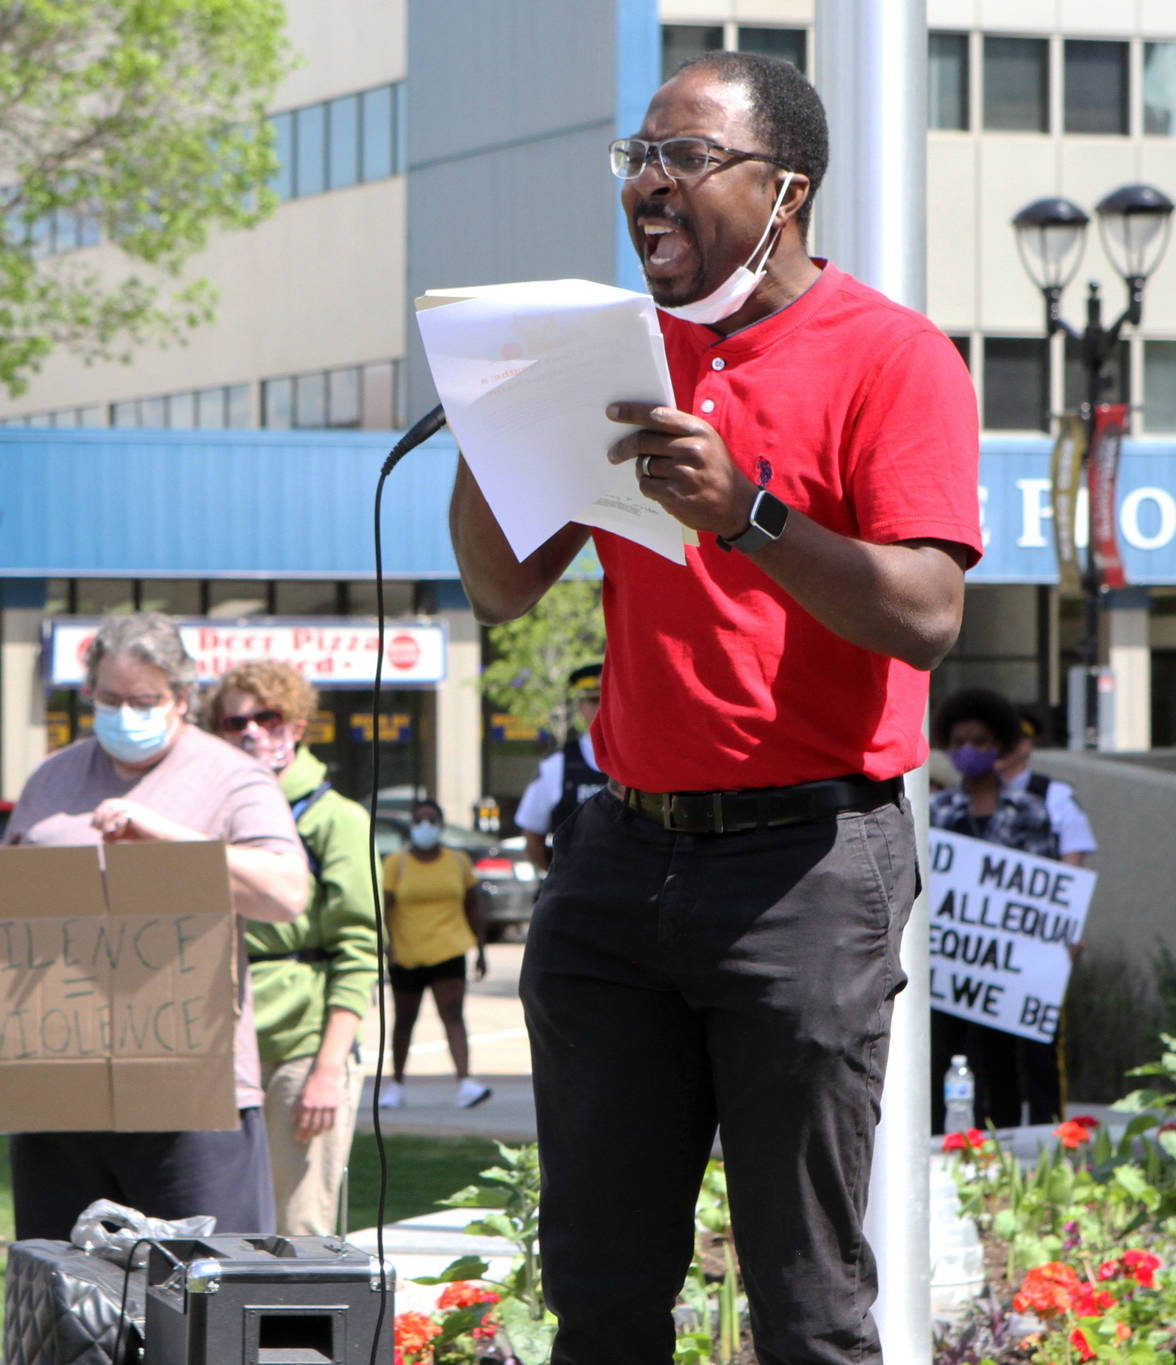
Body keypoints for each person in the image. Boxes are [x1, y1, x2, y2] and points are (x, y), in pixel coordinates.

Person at [449, 51, 980, 1362]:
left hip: (807, 867)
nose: (649, 184)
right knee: (601, 1291)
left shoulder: (893, 359)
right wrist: (492, 413)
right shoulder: (621, 360)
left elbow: (923, 615)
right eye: (639, 156)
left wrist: (745, 515)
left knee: (805, 1307)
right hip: (619, 857)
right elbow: (505, 586)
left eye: (685, 157)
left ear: (784, 186)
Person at [0, 612, 309, 1241]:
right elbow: (3, 913)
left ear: (181, 698)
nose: (126, 712)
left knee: (202, 1298)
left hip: (189, 1092)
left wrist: (172, 843)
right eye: (111, 698)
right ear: (89, 694)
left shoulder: (234, 776)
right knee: (70, 1305)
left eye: (145, 700)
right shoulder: (51, 779)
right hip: (56, 1087)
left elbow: (286, 893)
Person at [203, 660, 378, 1236]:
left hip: (301, 1052)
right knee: (218, 1229)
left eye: (267, 716)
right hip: (217, 1050)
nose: (251, 730)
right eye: (234, 722)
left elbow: (360, 950)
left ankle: (297, 1333)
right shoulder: (210, 820)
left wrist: (328, 1069)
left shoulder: (337, 820)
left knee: (299, 1231)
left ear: (297, 725)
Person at [927, 687, 1075, 1131]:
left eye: (980, 741)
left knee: (1018, 1058)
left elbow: (1046, 885)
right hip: (954, 966)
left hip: (1015, 965)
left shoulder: (1030, 810)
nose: (968, 751)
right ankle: (944, 1141)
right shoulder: (937, 810)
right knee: (948, 1053)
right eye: (958, 743)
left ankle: (1027, 1143)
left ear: (1000, 746)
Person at [377, 800, 489, 1111]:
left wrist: (480, 949)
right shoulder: (396, 863)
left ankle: (466, 1081)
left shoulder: (457, 861)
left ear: (441, 824)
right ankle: (396, 1084)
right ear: (412, 826)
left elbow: (473, 906)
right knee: (404, 1021)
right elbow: (384, 909)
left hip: (449, 949)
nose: (426, 825)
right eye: (420, 819)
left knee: (453, 1015)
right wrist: (386, 947)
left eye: (432, 819)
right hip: (407, 954)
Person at [514, 664, 608, 875]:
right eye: (594, 701)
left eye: (609, 700)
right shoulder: (556, 766)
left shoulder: (639, 763)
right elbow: (532, 838)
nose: (602, 708)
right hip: (574, 896)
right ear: (581, 706)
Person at [1000, 707, 1096, 867]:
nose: (998, 747)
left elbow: (1072, 865)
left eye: (1007, 739)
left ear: (1026, 745)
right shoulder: (963, 797)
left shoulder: (1056, 796)